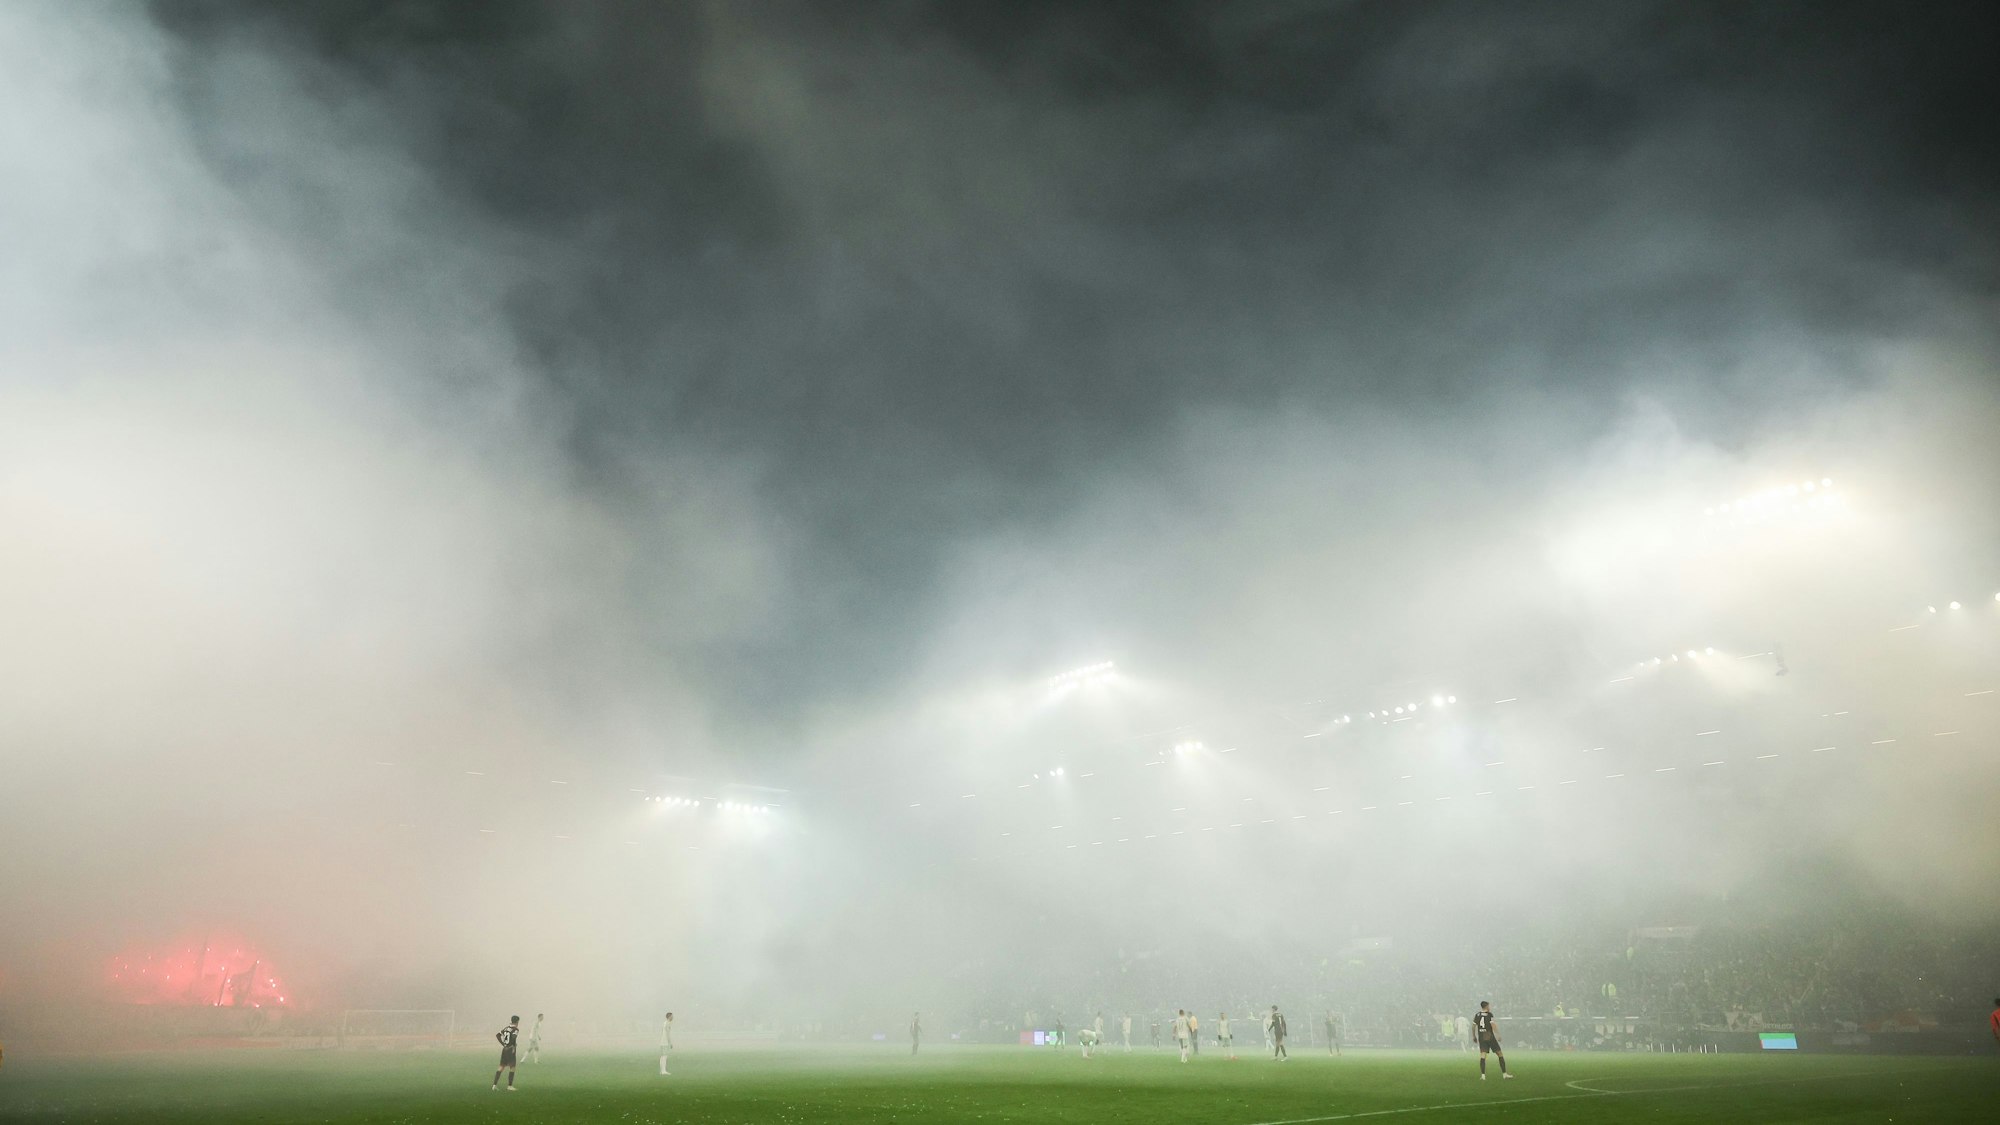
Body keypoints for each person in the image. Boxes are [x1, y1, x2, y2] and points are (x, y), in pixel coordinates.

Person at [1473, 1001, 1511, 1079]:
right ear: (1486, 1006)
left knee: (1483, 1055)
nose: (1490, 1007)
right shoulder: (1489, 1015)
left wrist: (1474, 1036)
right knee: (1500, 1054)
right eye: (1489, 1006)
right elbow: (1493, 1025)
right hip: (1489, 1035)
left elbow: (1473, 1026)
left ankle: (1483, 1076)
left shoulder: (1477, 1015)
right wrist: (1498, 1035)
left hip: (1481, 1036)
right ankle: (1504, 1074)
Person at [492, 1015, 521, 1091]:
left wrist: (503, 1044)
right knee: (512, 1067)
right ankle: (510, 1086)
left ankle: (494, 1085)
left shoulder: (506, 1028)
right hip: (510, 1050)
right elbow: (513, 1038)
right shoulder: (515, 1030)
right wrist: (513, 1045)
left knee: (501, 1066)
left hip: (504, 1049)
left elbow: (498, 1035)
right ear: (517, 1021)